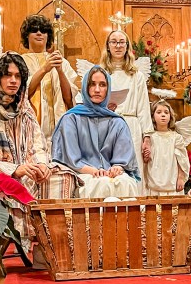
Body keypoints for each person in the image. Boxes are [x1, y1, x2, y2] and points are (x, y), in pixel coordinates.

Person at [0, 53, 78, 263]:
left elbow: (37, 142)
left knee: (62, 177)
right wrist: (13, 169)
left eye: (18, 76)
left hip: (22, 170)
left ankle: (45, 249)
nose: (13, 81)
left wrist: (41, 165)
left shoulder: (23, 106)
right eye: (7, 75)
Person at [52, 65, 140, 200]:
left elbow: (123, 156)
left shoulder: (117, 122)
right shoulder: (71, 119)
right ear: (85, 88)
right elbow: (70, 158)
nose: (97, 90)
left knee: (126, 183)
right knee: (101, 184)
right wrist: (95, 171)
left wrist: (117, 167)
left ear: (108, 89)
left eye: (102, 85)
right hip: (82, 173)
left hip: (110, 174)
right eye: (92, 84)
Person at [79, 30, 153, 183]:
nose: (118, 46)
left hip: (131, 127)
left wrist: (147, 137)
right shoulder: (100, 74)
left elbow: (143, 108)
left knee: (132, 171)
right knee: (108, 170)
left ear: (127, 46)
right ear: (108, 46)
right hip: (106, 124)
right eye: (113, 42)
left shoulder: (136, 75)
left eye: (121, 42)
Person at [20, 13, 77, 145]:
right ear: (27, 35)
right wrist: (44, 69)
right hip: (30, 129)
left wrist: (60, 71)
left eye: (43, 30)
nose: (39, 33)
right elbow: (22, 93)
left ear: (48, 36)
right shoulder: (20, 61)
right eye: (34, 30)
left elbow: (69, 99)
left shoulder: (60, 62)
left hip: (57, 130)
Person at [143, 100, 191, 196]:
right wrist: (146, 157)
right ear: (153, 116)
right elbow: (146, 161)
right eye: (159, 112)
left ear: (170, 116)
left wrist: (181, 178)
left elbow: (181, 160)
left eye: (166, 112)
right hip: (154, 184)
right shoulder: (150, 137)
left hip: (173, 184)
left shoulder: (176, 137)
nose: (163, 115)